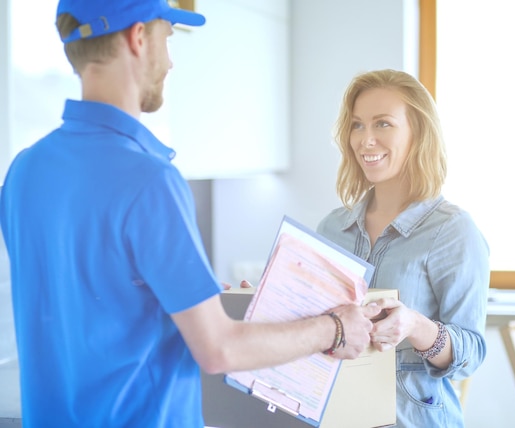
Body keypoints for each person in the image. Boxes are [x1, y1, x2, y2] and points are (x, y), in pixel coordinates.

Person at [0, 1, 382, 427]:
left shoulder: (24, 170)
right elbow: (219, 349)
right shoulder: (148, 179)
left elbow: (87, 301)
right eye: (169, 38)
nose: (171, 60)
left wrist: (180, 295)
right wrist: (335, 328)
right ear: (138, 37)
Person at [317, 69, 490, 428]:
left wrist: (413, 324)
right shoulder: (332, 228)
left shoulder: (453, 231)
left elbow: (471, 353)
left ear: (418, 133)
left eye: (383, 124)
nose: (365, 140)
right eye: (357, 125)